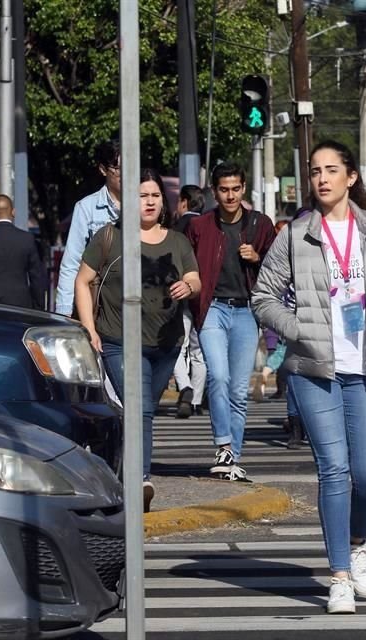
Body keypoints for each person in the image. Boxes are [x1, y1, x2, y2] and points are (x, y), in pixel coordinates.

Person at [252, 140, 366, 614]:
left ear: (351, 177)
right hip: (314, 369)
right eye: (315, 171)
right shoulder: (294, 234)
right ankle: (338, 576)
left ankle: (358, 540)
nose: (322, 178)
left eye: (331, 170)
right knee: (335, 471)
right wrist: (299, 329)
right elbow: (263, 296)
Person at [74, 167, 200, 512]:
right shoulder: (108, 237)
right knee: (140, 408)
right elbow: (81, 281)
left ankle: (115, 465)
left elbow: (195, 277)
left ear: (164, 202)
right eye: (142, 195)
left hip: (165, 343)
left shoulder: (177, 241)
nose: (149, 202)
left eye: (155, 196)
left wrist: (188, 285)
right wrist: (90, 328)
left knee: (141, 411)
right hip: (117, 340)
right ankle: (140, 479)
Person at [185, 162, 276, 481]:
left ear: (244, 188)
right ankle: (223, 446)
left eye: (236, 189)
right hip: (213, 310)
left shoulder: (260, 224)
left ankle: (232, 458)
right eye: (224, 189)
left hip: (246, 312)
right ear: (214, 191)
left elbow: (278, 269)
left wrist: (258, 258)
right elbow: (186, 263)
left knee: (238, 389)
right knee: (218, 377)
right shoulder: (201, 227)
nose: (230, 195)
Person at [55, 139, 122, 316]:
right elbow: (71, 263)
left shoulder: (144, 204)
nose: (125, 173)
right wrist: (64, 311)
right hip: (99, 305)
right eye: (117, 168)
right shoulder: (87, 208)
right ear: (102, 169)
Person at [0, 195, 47, 309]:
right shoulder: (27, 239)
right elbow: (36, 276)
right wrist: (39, 306)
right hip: (20, 302)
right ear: (13, 212)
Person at [172, 184, 208, 418]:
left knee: (177, 345)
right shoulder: (209, 226)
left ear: (184, 202)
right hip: (206, 296)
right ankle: (195, 401)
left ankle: (184, 386)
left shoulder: (177, 230)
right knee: (198, 351)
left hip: (181, 293)